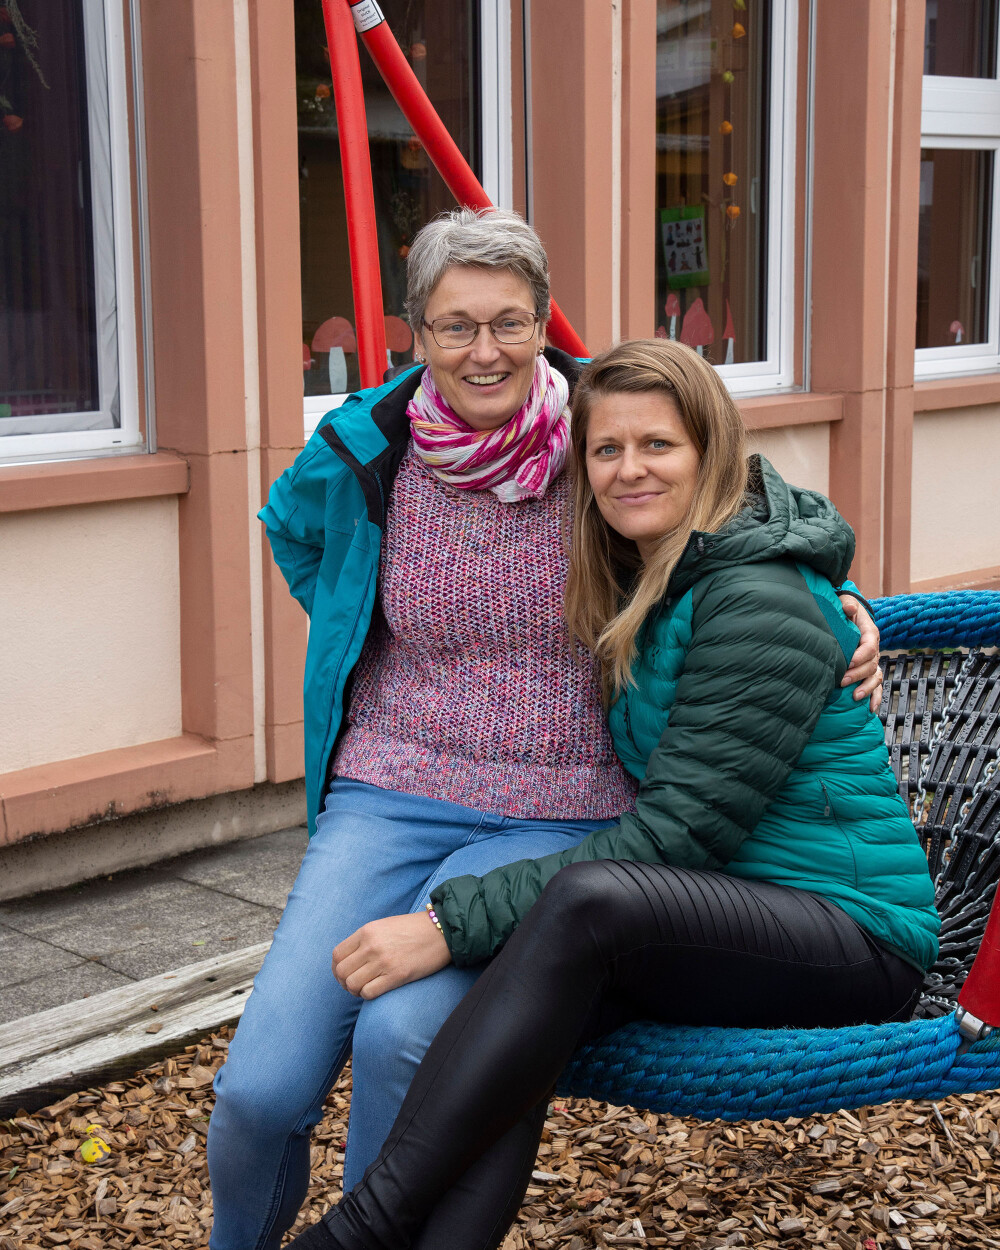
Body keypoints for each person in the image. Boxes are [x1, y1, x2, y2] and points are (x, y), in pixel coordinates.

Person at [207, 209, 884, 1250]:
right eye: (455, 325)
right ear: (417, 332)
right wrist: (359, 626)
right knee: (260, 1088)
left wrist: (839, 594)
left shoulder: (603, 432)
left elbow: (752, 506)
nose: (484, 350)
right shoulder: (367, 444)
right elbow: (296, 535)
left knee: (397, 1038)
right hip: (388, 792)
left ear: (543, 321)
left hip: (564, 807)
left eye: (509, 322)